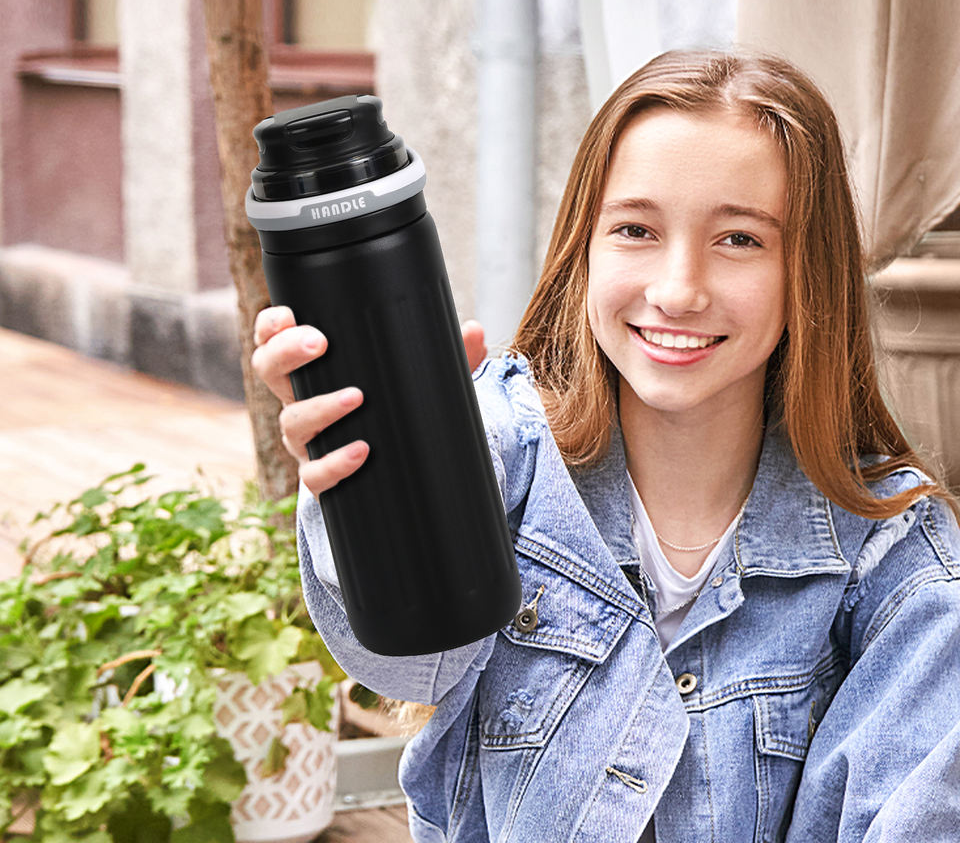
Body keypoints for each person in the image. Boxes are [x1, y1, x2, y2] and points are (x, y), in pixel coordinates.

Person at [251, 50, 960, 842]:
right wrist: (364, 489)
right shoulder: (497, 456)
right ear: (583, 248)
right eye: (635, 230)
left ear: (809, 271)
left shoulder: (892, 549)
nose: (678, 290)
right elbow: (412, 665)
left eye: (739, 239)